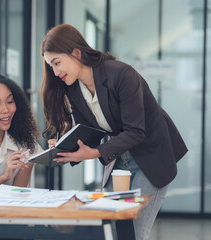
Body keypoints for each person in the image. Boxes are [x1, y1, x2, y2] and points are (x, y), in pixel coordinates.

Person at [40, 24, 187, 240]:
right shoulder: (73, 88)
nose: (55, 72)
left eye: (57, 63)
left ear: (76, 52)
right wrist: (63, 147)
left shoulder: (121, 74)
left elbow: (136, 131)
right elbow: (88, 132)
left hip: (150, 157)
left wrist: (95, 152)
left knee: (133, 234)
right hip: (118, 161)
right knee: (110, 230)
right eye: (50, 66)